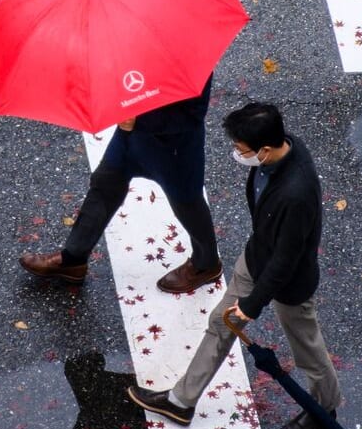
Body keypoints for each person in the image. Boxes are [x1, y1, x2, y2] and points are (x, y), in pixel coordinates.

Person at [126, 102, 342, 429]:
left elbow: (286, 261)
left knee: (307, 351)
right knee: (219, 323)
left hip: (288, 282)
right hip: (256, 259)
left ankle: (325, 410)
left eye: (241, 150)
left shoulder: (296, 194)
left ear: (266, 150)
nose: (237, 155)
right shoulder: (280, 153)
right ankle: (181, 402)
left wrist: (251, 306)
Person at [19, 76, 222, 293]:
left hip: (175, 149)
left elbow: (192, 115)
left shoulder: (187, 57)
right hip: (131, 138)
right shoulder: (130, 45)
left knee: (187, 203)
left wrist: (140, 121)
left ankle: (206, 263)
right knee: (105, 183)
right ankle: (73, 259)